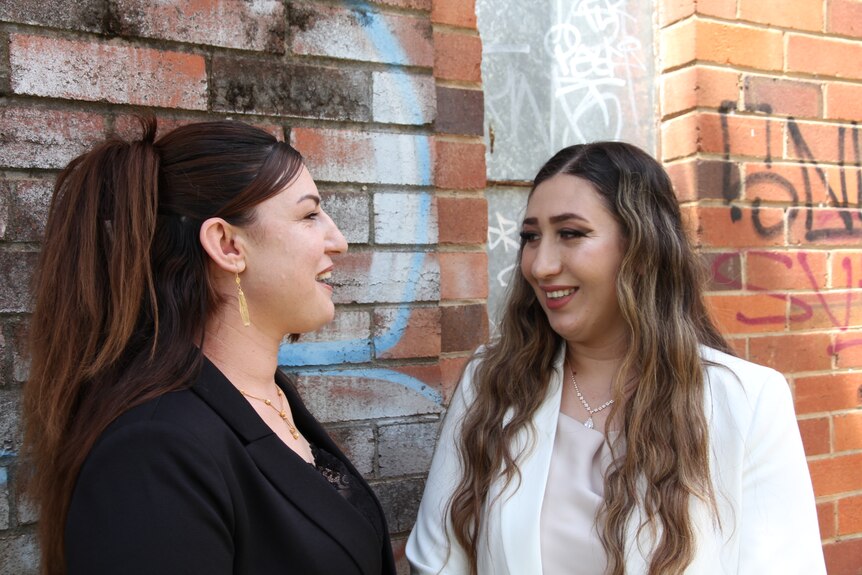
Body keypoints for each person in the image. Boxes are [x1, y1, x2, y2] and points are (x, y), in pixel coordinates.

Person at [406, 142, 825, 574]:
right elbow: (438, 560)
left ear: (642, 249)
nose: (541, 265)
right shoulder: (492, 382)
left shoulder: (744, 402)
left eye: (571, 233)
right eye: (531, 237)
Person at [23, 118, 396, 575]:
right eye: (309, 215)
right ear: (227, 245)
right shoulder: (153, 455)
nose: (337, 241)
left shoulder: (266, 396)